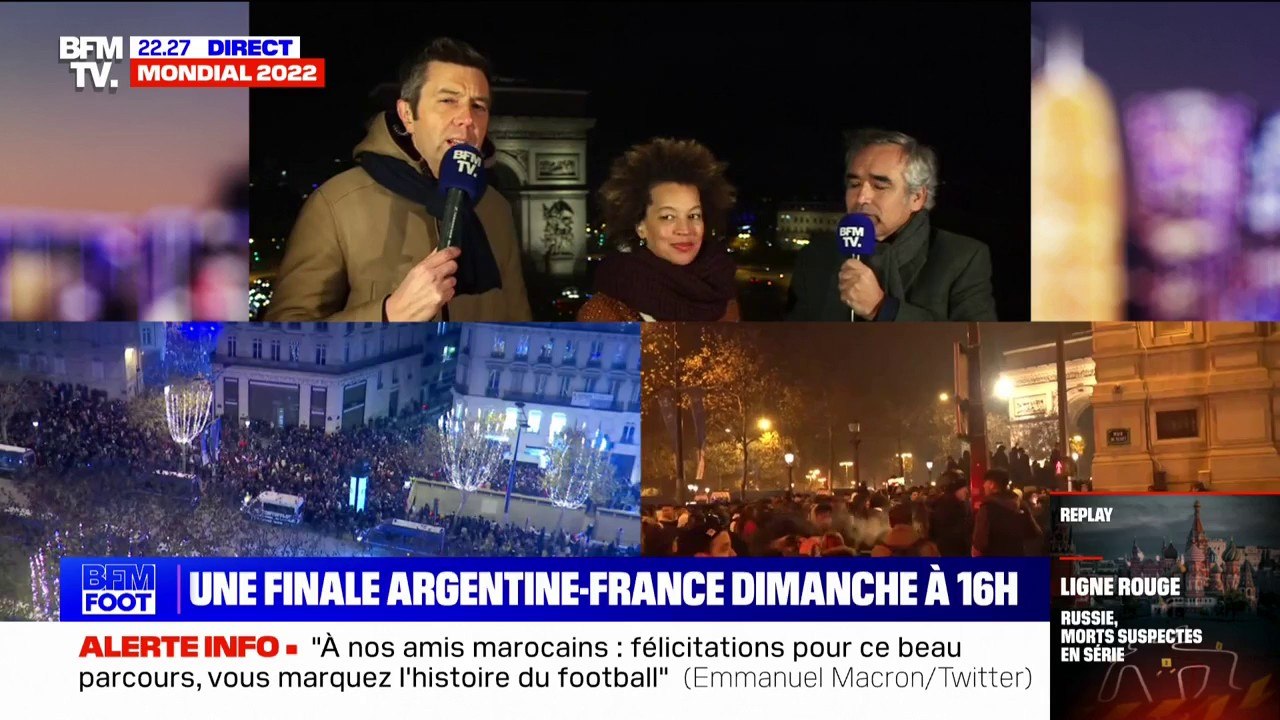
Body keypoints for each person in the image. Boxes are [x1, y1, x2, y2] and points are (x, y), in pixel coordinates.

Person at [266, 37, 532, 322]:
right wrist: (388, 314)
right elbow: (284, 331)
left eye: (478, 106)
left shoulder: (496, 208)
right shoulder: (335, 204)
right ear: (407, 114)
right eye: (447, 100)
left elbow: (517, 319)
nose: (467, 118)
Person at [788, 129, 998, 321]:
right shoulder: (815, 256)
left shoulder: (963, 258)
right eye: (854, 184)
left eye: (879, 186)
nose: (862, 197)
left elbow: (974, 345)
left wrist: (882, 308)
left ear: (917, 197)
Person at [578, 138, 739, 321]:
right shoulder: (605, 312)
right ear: (640, 227)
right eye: (668, 217)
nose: (685, 230)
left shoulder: (723, 294)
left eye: (694, 216)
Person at [972, 468, 1041, 557]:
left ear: (992, 485)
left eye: (985, 482)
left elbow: (979, 543)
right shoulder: (1020, 504)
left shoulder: (987, 508)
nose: (983, 485)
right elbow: (1034, 532)